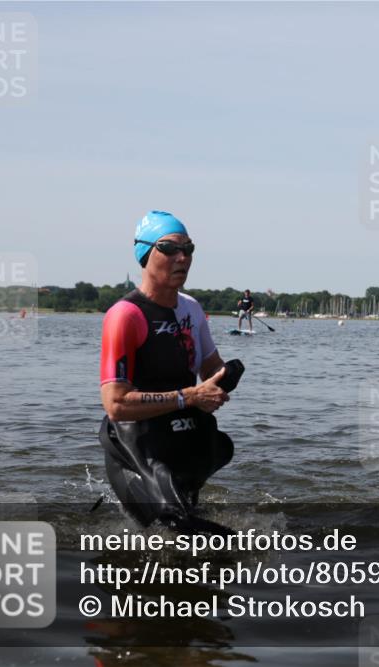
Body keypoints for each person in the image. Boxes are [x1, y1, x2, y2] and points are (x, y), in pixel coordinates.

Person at [99, 210, 237, 532]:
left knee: (189, 526)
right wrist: (191, 396)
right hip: (137, 444)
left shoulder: (191, 308)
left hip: (182, 435)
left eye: (188, 249)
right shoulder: (125, 316)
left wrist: (224, 377)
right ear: (144, 253)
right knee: (175, 526)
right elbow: (115, 405)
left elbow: (210, 369)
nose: (182, 258)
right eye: (170, 248)